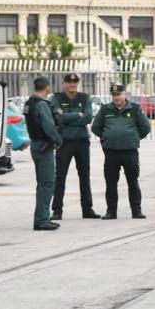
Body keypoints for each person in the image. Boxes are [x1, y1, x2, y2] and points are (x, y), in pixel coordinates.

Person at [91, 83, 151, 219]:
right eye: (114, 95)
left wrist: (134, 138)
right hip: (111, 152)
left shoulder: (134, 109)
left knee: (133, 181)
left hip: (130, 151)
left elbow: (145, 127)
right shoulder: (105, 110)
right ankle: (111, 211)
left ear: (125, 94)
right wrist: (106, 138)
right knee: (111, 183)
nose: (116, 97)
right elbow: (96, 127)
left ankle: (136, 210)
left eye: (118, 94)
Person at [51, 72, 100, 220]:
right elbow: (58, 118)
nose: (72, 85)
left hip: (81, 141)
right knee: (60, 177)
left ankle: (87, 209)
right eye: (69, 82)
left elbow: (88, 118)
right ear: (64, 83)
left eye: (75, 82)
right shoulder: (56, 98)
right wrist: (77, 115)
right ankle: (57, 210)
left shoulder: (85, 98)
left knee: (84, 176)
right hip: (64, 142)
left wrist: (69, 117)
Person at [23, 76, 63, 231]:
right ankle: (41, 220)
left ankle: (41, 217)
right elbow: (48, 126)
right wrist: (58, 140)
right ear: (47, 87)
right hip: (44, 146)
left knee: (42, 183)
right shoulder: (41, 104)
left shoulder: (29, 103)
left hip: (36, 144)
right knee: (47, 183)